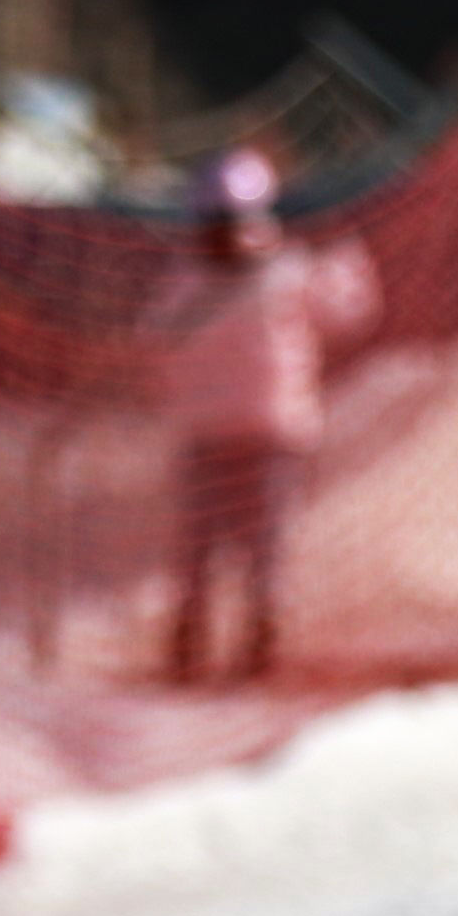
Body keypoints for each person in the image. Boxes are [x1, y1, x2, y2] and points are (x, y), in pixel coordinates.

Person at [152, 147, 377, 685]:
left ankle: (234, 650)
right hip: (240, 431)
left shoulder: (242, 275)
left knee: (239, 552)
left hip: (244, 433)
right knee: (229, 553)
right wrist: (345, 262)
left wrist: (342, 265)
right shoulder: (271, 272)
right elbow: (349, 314)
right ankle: (214, 649)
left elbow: (153, 337)